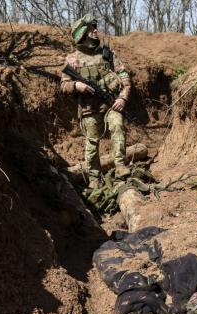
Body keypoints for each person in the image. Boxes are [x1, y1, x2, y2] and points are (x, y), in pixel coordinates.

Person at [60, 14, 132, 189]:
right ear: (82, 33)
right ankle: (94, 178)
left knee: (117, 126)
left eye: (95, 27)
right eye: (92, 28)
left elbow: (125, 78)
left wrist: (123, 97)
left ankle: (120, 168)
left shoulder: (107, 54)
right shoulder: (72, 59)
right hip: (89, 109)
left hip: (111, 105)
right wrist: (76, 85)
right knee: (91, 143)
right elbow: (63, 85)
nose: (96, 31)